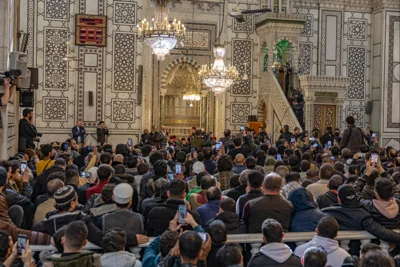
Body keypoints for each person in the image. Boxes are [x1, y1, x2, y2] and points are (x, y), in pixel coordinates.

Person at [322, 185, 400, 245]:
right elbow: (382, 232)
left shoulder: (326, 212)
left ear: (339, 199)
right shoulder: (363, 216)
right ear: (356, 197)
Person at [32, 185, 104, 246]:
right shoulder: (84, 222)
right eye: (77, 200)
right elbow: (101, 239)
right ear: (72, 204)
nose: (78, 203)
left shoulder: (46, 222)